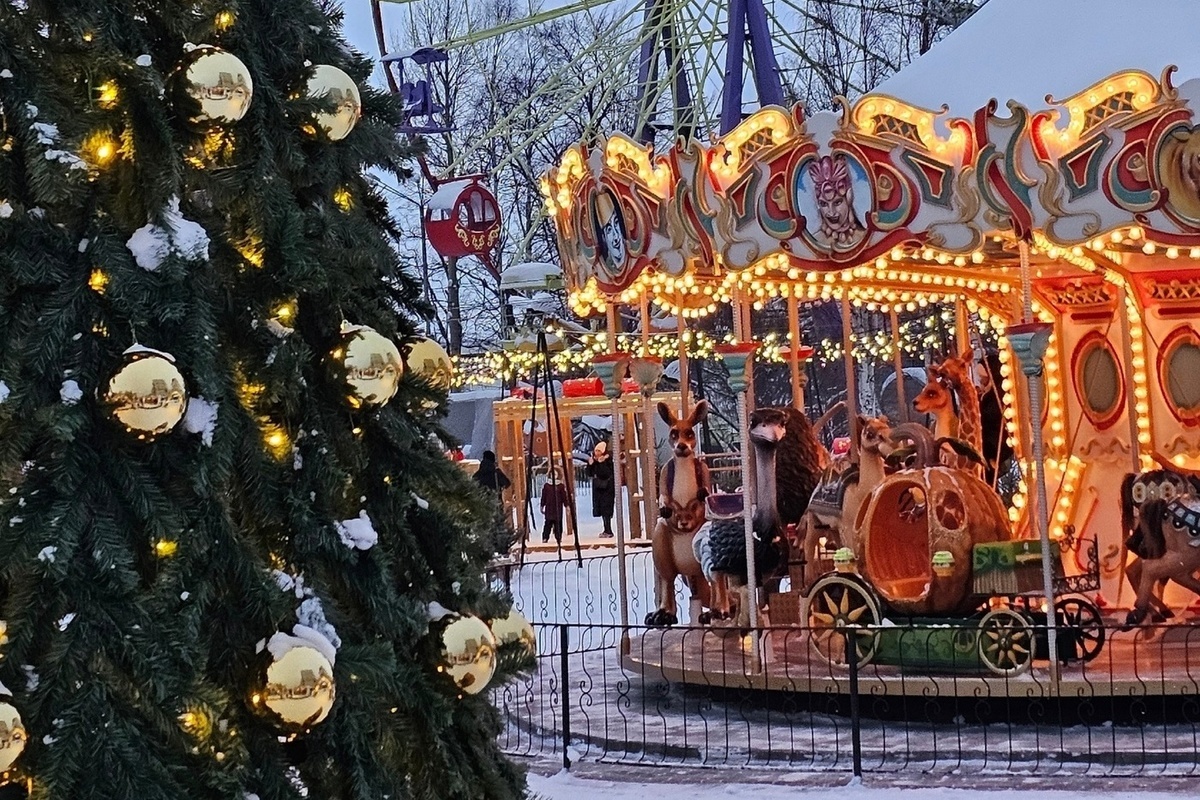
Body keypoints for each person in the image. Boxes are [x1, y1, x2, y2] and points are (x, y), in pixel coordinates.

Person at [586, 441, 616, 538]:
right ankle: (606, 529)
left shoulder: (607, 460)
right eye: (596, 450)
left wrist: (601, 463)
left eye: (599, 451)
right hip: (599, 489)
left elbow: (606, 473)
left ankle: (608, 530)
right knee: (602, 510)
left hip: (607, 489)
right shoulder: (594, 460)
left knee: (606, 509)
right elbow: (589, 473)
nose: (597, 453)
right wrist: (590, 464)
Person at [540, 468, 569, 545]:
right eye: (552, 474)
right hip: (549, 508)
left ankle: (558, 538)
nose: (553, 476)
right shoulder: (546, 486)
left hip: (558, 508)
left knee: (558, 524)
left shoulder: (560, 486)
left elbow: (564, 497)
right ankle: (545, 537)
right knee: (548, 523)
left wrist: (567, 505)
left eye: (555, 474)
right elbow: (544, 496)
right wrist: (542, 505)